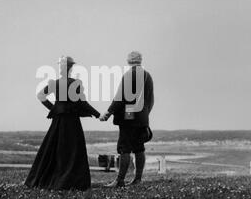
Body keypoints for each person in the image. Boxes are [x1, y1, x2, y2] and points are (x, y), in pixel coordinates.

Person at [25, 56, 100, 190]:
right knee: (73, 150)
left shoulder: (55, 83)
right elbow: (82, 103)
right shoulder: (75, 83)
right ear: (71, 68)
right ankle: (72, 182)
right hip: (72, 122)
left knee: (54, 150)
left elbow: (40, 96)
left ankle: (48, 180)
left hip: (58, 121)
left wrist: (54, 108)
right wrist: (97, 114)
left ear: (61, 68)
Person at [100, 51, 154, 187]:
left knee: (124, 148)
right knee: (139, 148)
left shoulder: (129, 75)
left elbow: (120, 98)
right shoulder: (148, 76)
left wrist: (108, 112)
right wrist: (145, 114)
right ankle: (137, 179)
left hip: (128, 117)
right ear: (140, 60)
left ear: (129, 61)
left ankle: (119, 180)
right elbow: (151, 100)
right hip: (142, 116)